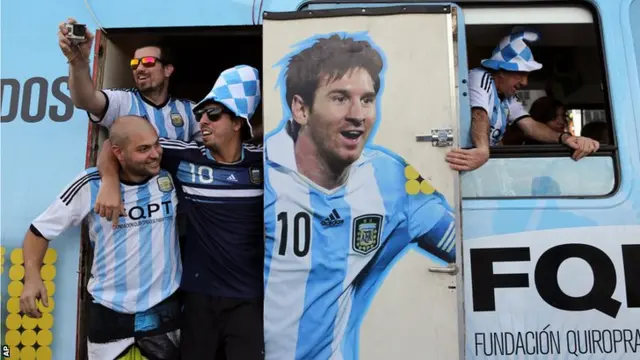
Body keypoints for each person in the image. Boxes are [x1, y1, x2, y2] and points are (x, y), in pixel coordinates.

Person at [263, 33, 456, 360]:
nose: (358, 114)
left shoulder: (393, 177)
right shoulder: (262, 174)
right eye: (339, 98)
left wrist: (484, 152)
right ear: (301, 108)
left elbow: (462, 246)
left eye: (367, 99)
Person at [97, 65, 265, 360]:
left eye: (213, 114)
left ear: (238, 122)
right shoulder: (184, 156)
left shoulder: (263, 162)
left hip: (248, 299)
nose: (202, 121)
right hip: (198, 298)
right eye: (200, 114)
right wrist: (109, 182)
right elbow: (119, 142)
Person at [19, 116, 182, 360]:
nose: (155, 153)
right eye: (143, 149)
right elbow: (38, 232)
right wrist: (32, 277)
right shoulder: (90, 184)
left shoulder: (170, 177)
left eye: (156, 144)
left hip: (163, 313)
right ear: (119, 153)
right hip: (110, 315)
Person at [58, 18, 201, 223]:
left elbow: (211, 150)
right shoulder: (122, 100)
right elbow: (86, 100)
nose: (139, 68)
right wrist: (77, 61)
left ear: (168, 70)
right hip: (129, 211)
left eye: (149, 62)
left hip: (178, 210)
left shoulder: (190, 110)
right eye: (135, 63)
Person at [445, 29, 600, 171]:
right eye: (520, 74)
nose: (525, 82)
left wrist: (566, 138)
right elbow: (480, 114)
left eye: (527, 76)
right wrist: (483, 150)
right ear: (502, 71)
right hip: (464, 163)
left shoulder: (508, 97)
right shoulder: (481, 77)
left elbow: (531, 127)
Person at [502, 96, 569, 145]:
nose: (562, 122)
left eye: (563, 116)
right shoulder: (530, 146)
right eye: (553, 117)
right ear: (539, 121)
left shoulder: (568, 143)